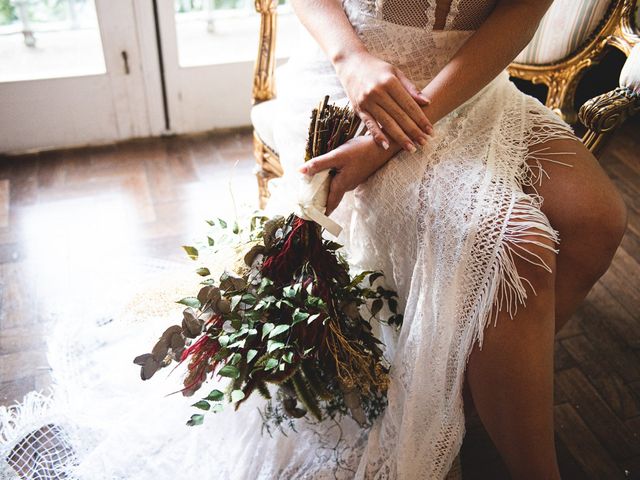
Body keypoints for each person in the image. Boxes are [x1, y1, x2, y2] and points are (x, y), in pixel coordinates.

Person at [0, 1, 627, 479]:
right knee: (514, 245)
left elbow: (523, 8)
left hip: (467, 89)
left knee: (599, 221)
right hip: (346, 81)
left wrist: (391, 139)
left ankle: (464, 388)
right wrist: (352, 58)